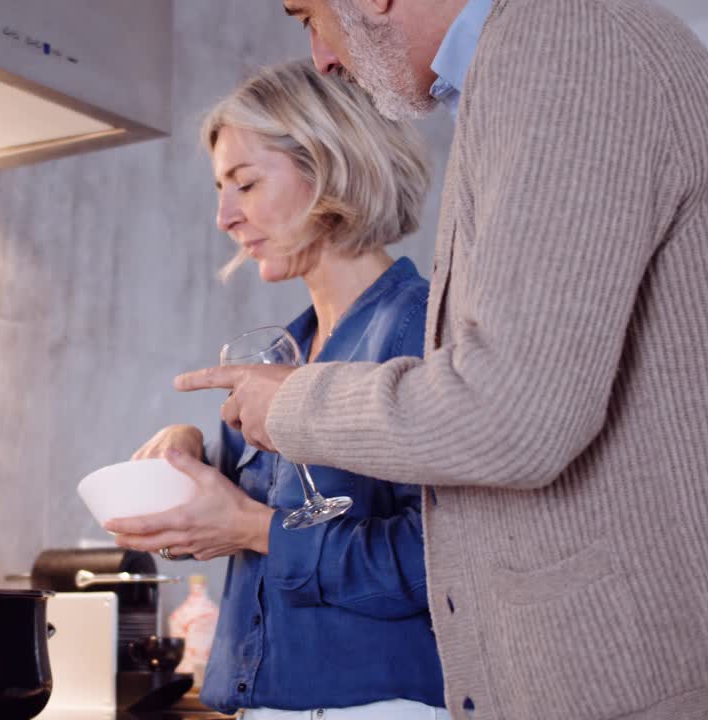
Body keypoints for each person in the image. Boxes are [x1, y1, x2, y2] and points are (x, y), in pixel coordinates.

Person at [167, 1, 708, 719]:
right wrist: (193, 463)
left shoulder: (566, 41)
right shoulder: (527, 64)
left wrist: (281, 442)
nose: (324, 57)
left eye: (311, 14)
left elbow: (510, 417)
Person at [107, 60, 448, 719]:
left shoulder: (419, 334)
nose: (224, 217)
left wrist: (254, 527)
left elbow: (439, 561)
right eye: (220, 189)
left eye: (245, 183)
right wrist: (191, 464)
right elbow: (258, 525)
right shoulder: (281, 352)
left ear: (331, 167)